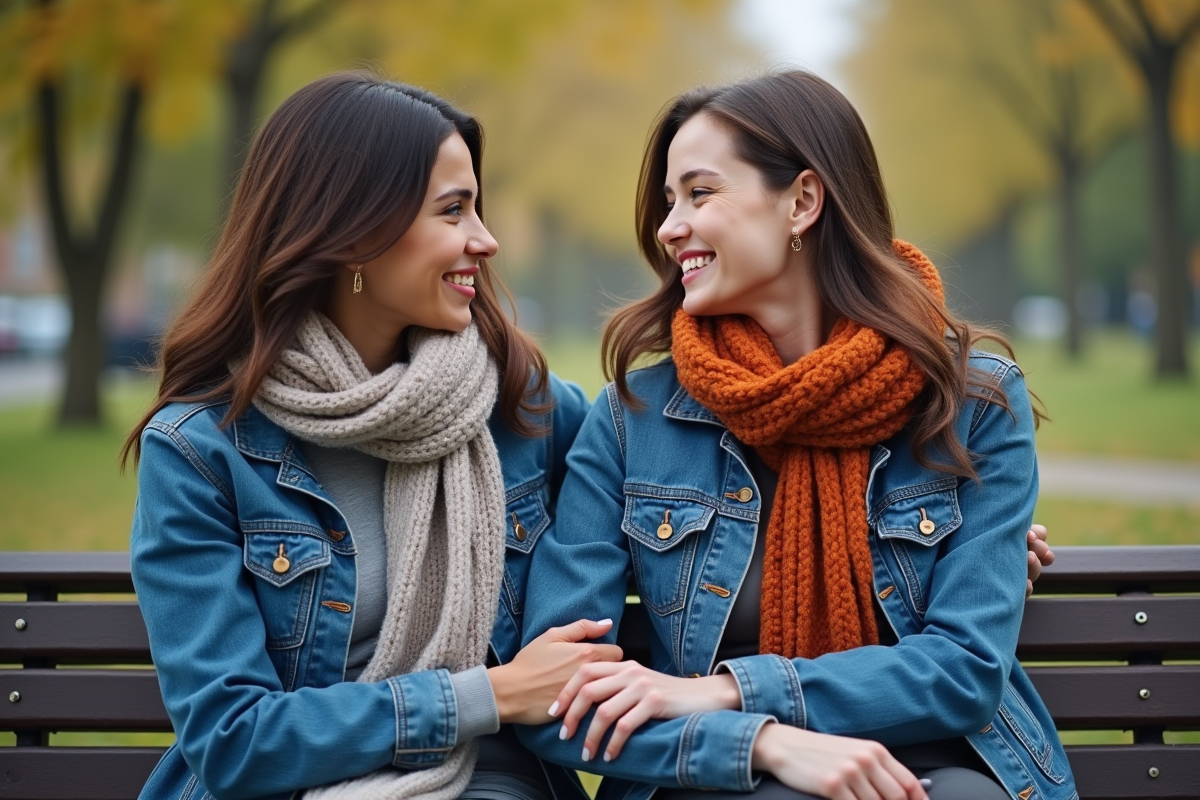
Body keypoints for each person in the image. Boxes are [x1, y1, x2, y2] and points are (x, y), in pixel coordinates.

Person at [518, 71, 1073, 800]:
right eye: (668, 201)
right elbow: (559, 693)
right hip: (717, 774)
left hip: (937, 767)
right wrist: (759, 740)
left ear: (803, 201)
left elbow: (965, 671)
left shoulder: (969, 401)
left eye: (700, 193)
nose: (668, 227)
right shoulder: (633, 418)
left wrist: (725, 691)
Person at [123, 72, 623, 800]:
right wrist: (489, 695)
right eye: (452, 210)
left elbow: (663, 459)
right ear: (354, 233)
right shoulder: (202, 451)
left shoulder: (519, 410)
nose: (485, 240)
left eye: (476, 208)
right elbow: (233, 740)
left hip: (491, 783)